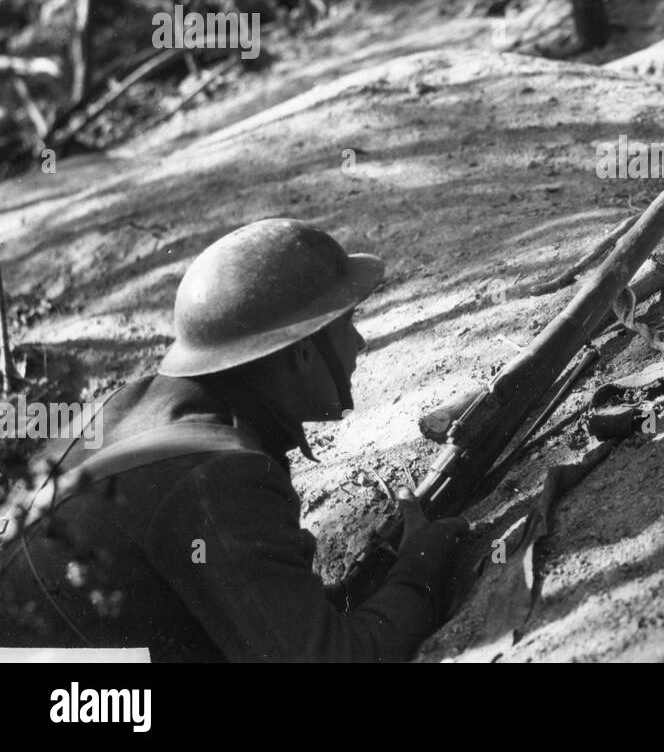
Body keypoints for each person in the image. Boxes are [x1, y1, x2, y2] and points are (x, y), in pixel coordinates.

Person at [0, 218, 467, 662]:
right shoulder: (217, 474)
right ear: (304, 352)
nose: (360, 343)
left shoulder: (133, 409)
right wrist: (420, 570)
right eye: (347, 324)